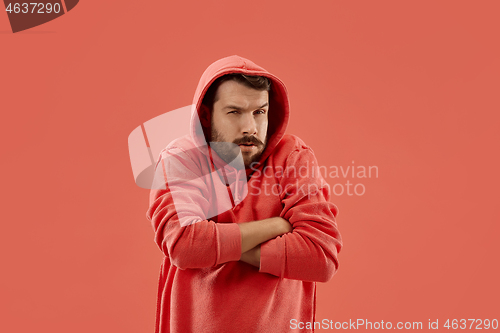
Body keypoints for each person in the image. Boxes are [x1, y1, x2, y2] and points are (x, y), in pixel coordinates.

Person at [146, 55, 343, 333]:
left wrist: (215, 243)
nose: (250, 127)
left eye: (259, 112)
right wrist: (277, 226)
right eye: (234, 112)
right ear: (205, 115)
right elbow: (184, 245)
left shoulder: (294, 158)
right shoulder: (182, 159)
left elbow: (321, 256)